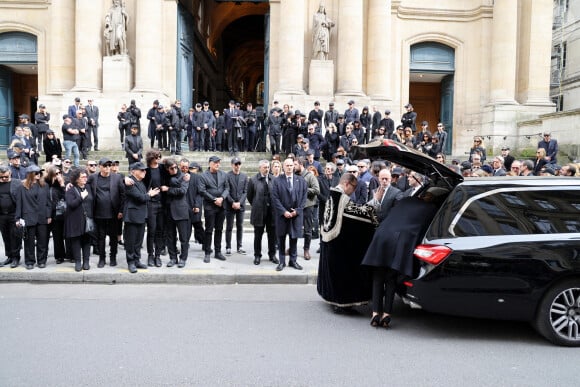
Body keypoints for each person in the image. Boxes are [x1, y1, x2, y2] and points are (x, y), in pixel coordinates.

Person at [361, 187, 447, 328]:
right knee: (390, 278)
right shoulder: (432, 209)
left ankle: (375, 313)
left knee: (378, 277)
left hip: (382, 237)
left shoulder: (406, 201)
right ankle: (387, 314)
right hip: (400, 242)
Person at [317, 173, 378, 311]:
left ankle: (332, 299)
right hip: (338, 244)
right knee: (341, 272)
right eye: (353, 188)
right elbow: (357, 213)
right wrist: (374, 203)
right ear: (347, 184)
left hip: (329, 241)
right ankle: (341, 303)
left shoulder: (332, 193)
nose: (353, 192)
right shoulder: (342, 198)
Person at [87, 157, 125, 268]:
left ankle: (113, 257)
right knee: (101, 237)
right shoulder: (93, 177)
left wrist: (121, 210)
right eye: (105, 166)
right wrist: (71, 184)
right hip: (98, 213)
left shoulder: (117, 177)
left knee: (113, 237)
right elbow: (83, 183)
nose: (107, 168)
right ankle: (102, 259)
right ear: (100, 167)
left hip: (114, 213)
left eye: (109, 165)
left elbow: (123, 195)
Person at [271, 158, 308, 271]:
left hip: (296, 215)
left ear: (294, 166)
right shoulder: (277, 181)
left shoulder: (301, 180)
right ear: (283, 166)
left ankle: (293, 260)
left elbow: (304, 198)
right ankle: (282, 262)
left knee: (294, 239)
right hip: (282, 216)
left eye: (291, 165)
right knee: (281, 239)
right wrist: (284, 212)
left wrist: (297, 210)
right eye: (287, 165)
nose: (289, 167)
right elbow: (275, 198)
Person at [124, 162, 160, 273]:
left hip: (141, 215)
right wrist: (150, 195)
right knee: (131, 241)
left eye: (144, 170)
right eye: (141, 170)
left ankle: (136, 260)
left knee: (138, 241)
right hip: (132, 216)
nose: (144, 172)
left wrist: (147, 194)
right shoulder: (130, 182)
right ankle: (131, 262)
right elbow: (140, 198)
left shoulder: (140, 182)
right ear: (133, 171)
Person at [14, 165, 51, 270]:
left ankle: (42, 261)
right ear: (30, 174)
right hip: (28, 218)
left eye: (39, 172)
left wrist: (48, 215)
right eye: (36, 173)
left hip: (42, 217)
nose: (39, 174)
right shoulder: (22, 187)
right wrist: (17, 218)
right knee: (29, 242)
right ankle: (30, 261)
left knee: (42, 241)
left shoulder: (45, 186)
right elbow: (19, 204)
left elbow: (49, 202)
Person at [247, 159, 278, 265]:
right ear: (260, 168)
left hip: (272, 212)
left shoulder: (273, 179)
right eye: (265, 167)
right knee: (258, 235)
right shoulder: (253, 180)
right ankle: (257, 255)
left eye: (268, 167)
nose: (267, 169)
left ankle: (272, 254)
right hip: (259, 212)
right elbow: (250, 196)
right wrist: (257, 204)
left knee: (272, 235)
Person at [198, 155, 229, 263]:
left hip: (221, 206)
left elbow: (227, 188)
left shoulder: (223, 174)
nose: (218, 164)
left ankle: (218, 252)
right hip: (210, 207)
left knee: (219, 229)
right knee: (209, 230)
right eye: (216, 162)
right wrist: (214, 199)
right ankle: (207, 252)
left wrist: (222, 198)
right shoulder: (203, 176)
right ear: (210, 163)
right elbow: (202, 191)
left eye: (219, 162)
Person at [161, 157, 190, 268]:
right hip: (168, 212)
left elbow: (182, 191)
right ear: (167, 169)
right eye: (171, 168)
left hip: (181, 211)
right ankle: (173, 258)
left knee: (183, 238)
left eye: (175, 167)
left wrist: (168, 189)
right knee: (170, 237)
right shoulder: (165, 176)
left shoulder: (184, 176)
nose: (174, 170)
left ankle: (183, 259)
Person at [0, 166, 22, 268]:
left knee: (15, 236)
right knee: (5, 237)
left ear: (10, 173)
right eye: (2, 177)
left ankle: (16, 257)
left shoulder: (17, 182)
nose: (4, 179)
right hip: (2, 215)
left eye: (6, 176)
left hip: (14, 214)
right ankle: (9, 256)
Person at [225, 157, 248, 256]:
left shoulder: (244, 176)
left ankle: (239, 246)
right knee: (229, 227)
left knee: (240, 226)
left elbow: (245, 191)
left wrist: (240, 202)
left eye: (239, 164)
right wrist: (232, 202)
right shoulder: (227, 176)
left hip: (240, 206)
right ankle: (228, 247)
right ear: (232, 165)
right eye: (235, 164)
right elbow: (226, 190)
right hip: (230, 205)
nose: (237, 166)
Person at [45, 166, 66, 264]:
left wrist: (62, 185)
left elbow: (66, 198)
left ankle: (60, 256)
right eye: (55, 174)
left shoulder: (61, 185)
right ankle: (43, 256)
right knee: (45, 237)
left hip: (59, 214)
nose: (58, 175)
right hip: (47, 213)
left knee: (58, 236)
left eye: (59, 173)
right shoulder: (46, 184)